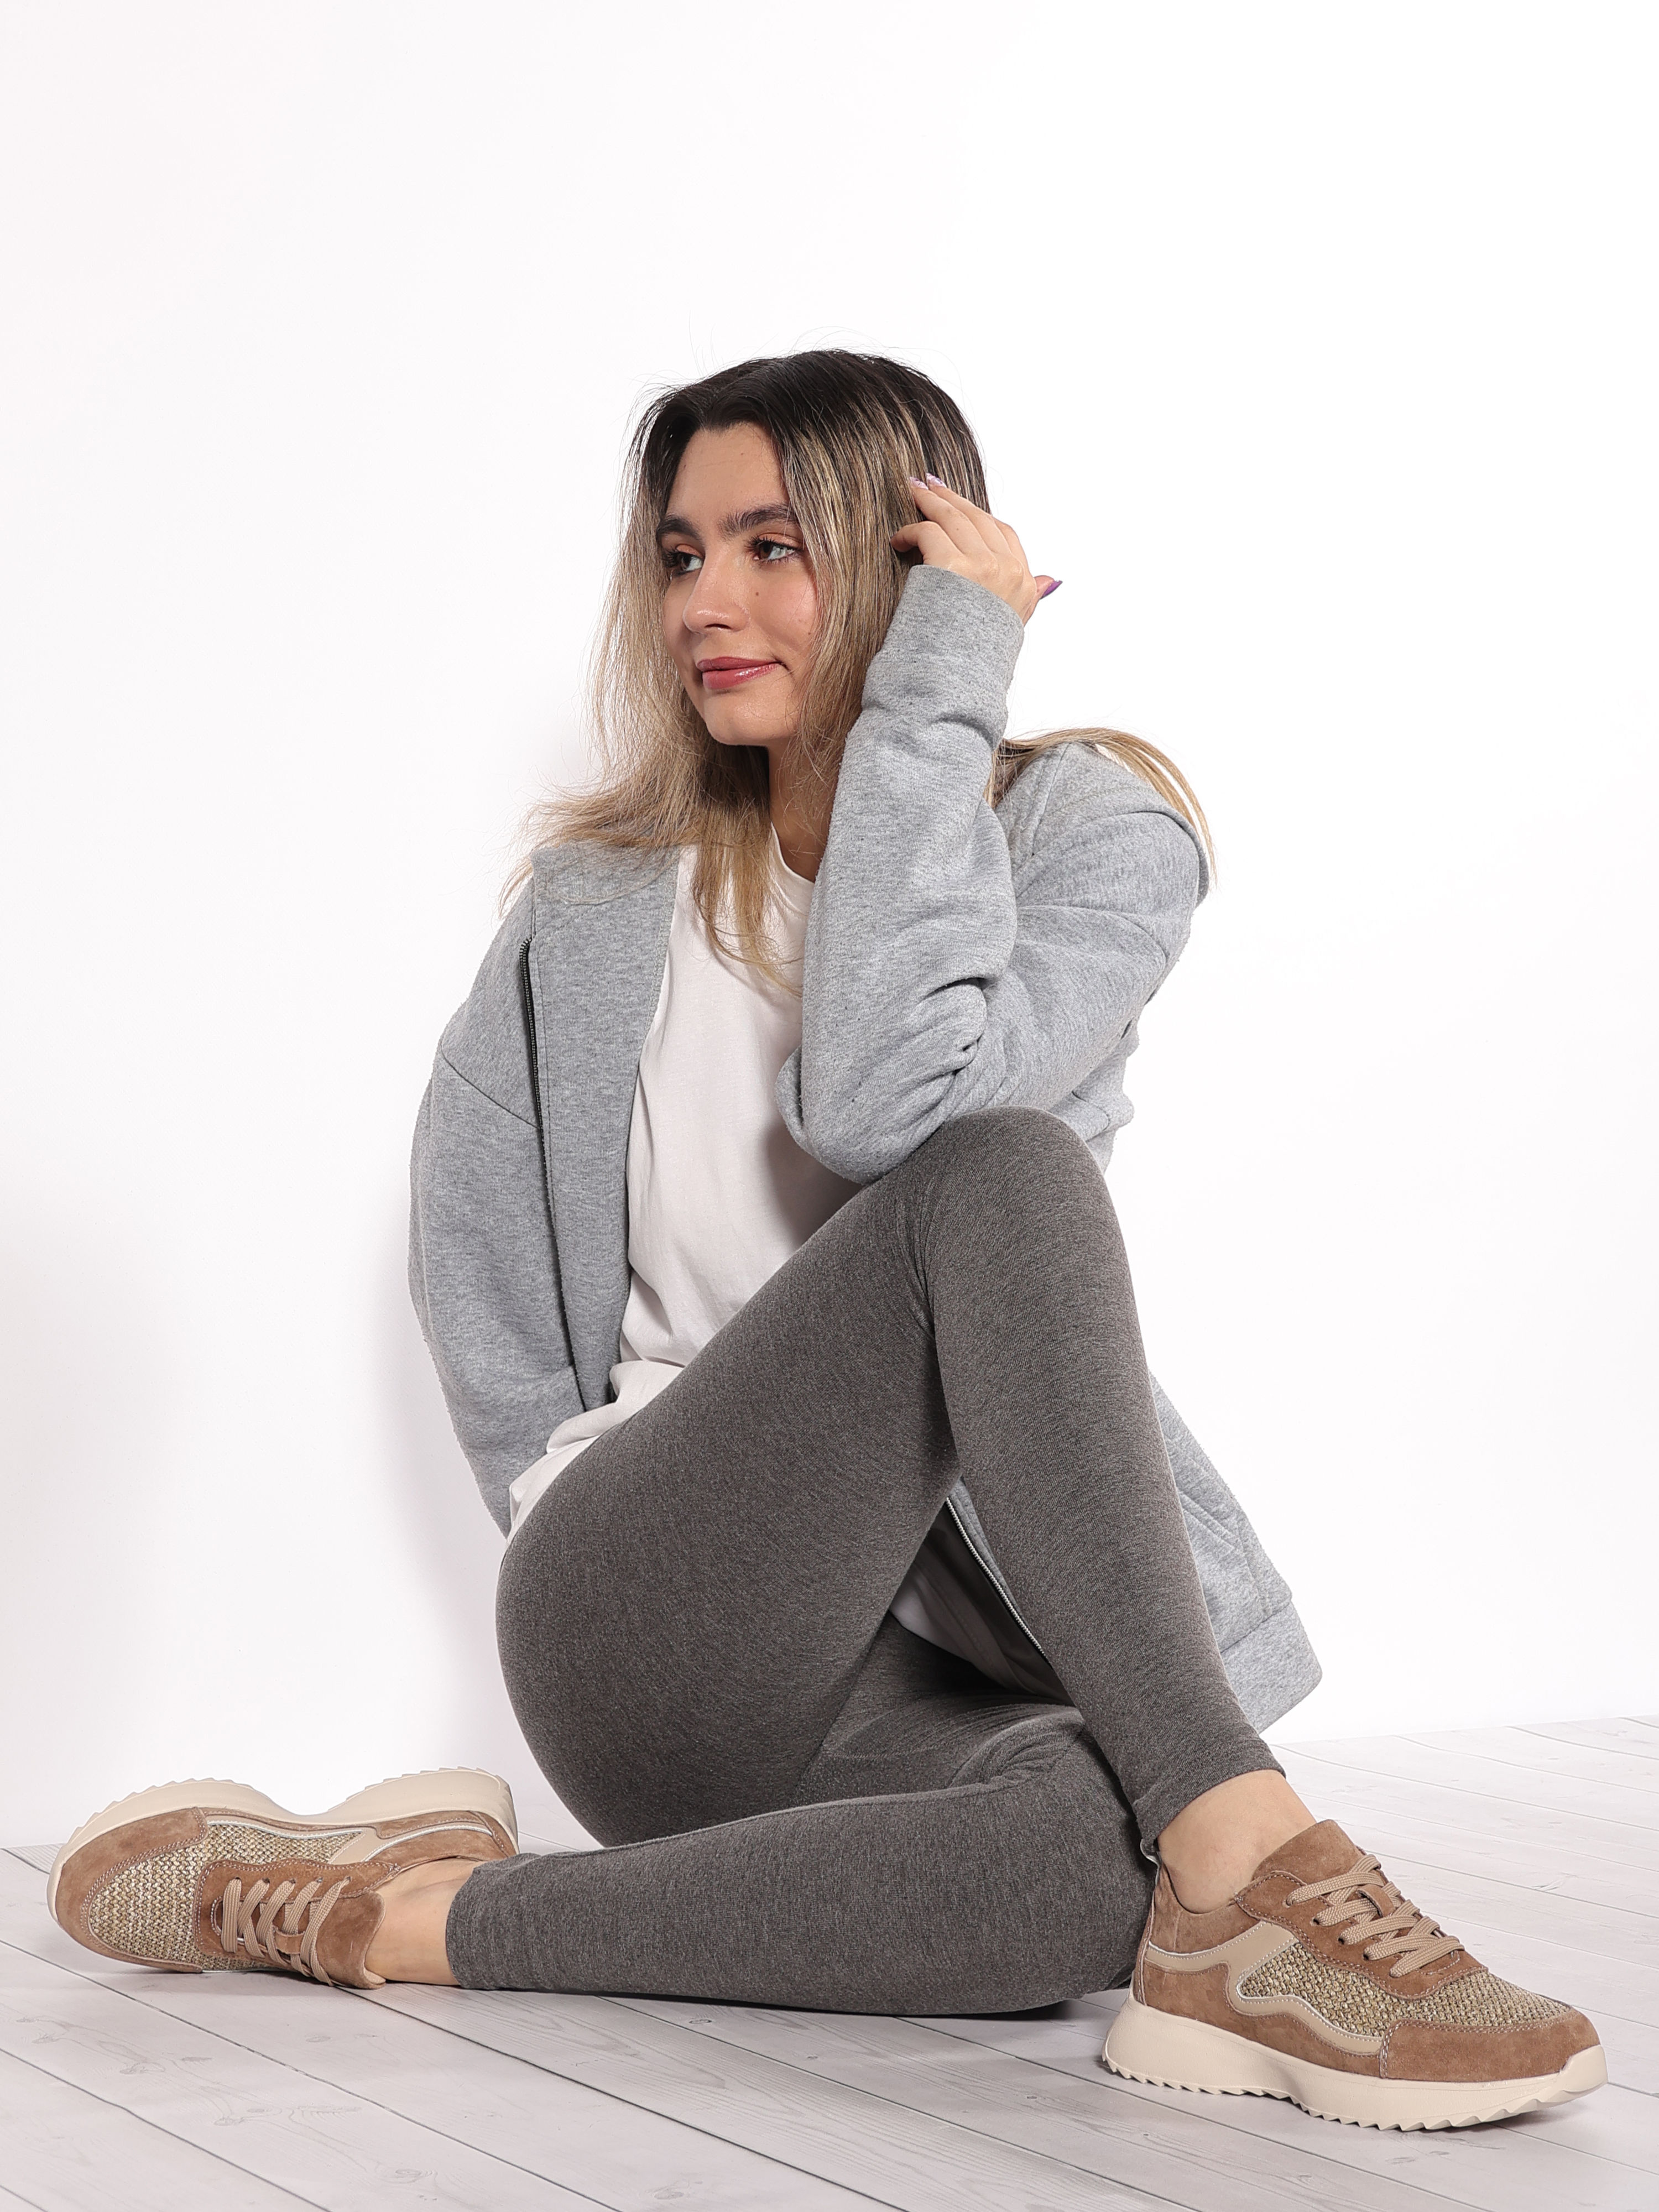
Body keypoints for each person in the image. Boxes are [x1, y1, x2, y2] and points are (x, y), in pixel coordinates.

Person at [49, 352, 1603, 2131]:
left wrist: (932, 699)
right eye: (680, 554)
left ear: (911, 562)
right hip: (644, 1612)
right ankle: (1256, 1851)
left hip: (911, 1667)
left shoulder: (1092, 833)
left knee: (1089, 1872)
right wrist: (580, 1505)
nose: (703, 604)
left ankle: (387, 1914)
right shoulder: (594, 913)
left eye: (771, 547)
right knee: (1007, 1177)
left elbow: (891, 1091)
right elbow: (523, 1261)